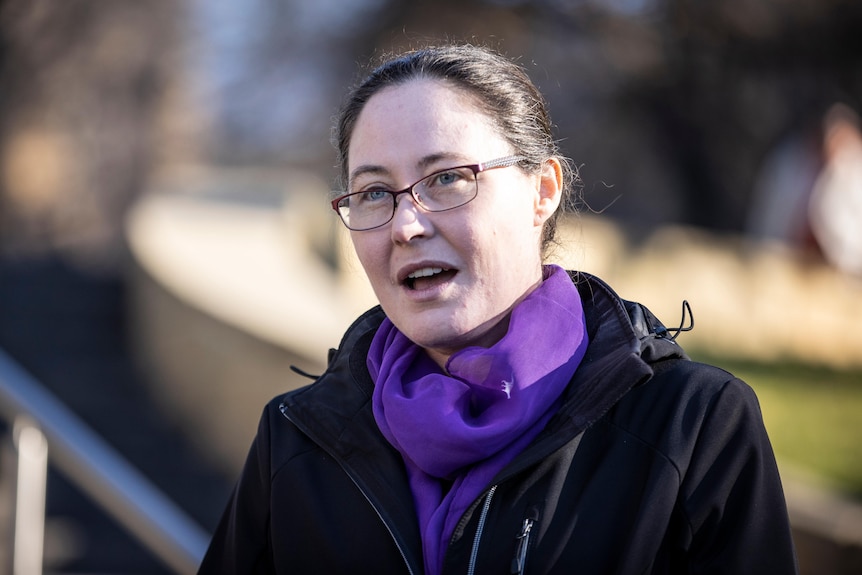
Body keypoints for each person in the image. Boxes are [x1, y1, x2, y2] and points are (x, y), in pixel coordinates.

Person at [198, 44, 798, 574]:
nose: (406, 224)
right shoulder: (297, 439)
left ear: (542, 192)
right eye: (375, 192)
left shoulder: (694, 425)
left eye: (447, 179)